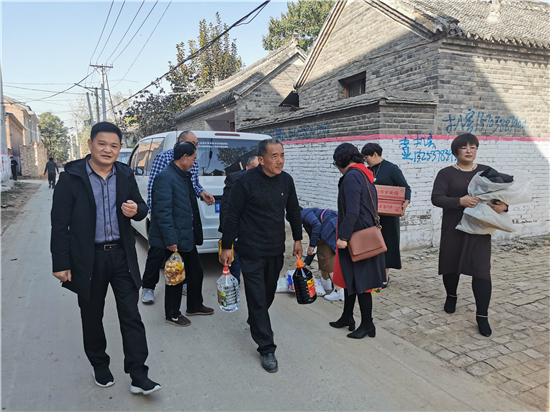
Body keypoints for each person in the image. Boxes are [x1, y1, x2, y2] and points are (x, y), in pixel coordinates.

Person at [50, 122, 161, 395]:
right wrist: (61, 262)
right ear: (90, 144)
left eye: (114, 145)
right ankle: (99, 363)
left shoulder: (124, 174)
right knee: (92, 315)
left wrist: (136, 210)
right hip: (87, 258)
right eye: (102, 144)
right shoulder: (72, 177)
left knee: (131, 315)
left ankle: (138, 374)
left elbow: (141, 207)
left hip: (121, 256)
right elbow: (59, 223)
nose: (107, 150)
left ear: (119, 148)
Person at [219, 139, 302, 373]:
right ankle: (267, 348)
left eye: (282, 155)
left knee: (266, 295)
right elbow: (232, 215)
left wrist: (298, 238)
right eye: (275, 156)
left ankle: (256, 319)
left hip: (275, 249)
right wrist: (227, 246)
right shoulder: (245, 182)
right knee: (257, 298)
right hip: (250, 250)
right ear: (262, 160)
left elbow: (293, 210)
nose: (280, 161)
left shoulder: (286, 180)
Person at [431, 133, 507, 337]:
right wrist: (459, 201)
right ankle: (451, 296)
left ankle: (482, 316)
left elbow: (500, 196)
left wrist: (504, 206)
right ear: (455, 151)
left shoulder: (486, 172)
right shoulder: (446, 174)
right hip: (454, 228)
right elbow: (436, 198)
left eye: (473, 147)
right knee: (451, 265)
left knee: (481, 271)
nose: (469, 151)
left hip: (479, 230)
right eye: (464, 147)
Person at [141, 131, 215, 304]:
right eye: (192, 143)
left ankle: (184, 285)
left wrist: (202, 192)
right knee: (157, 254)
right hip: (166, 216)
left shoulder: (192, 159)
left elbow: (193, 183)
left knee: (185, 255)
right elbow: (154, 186)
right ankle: (148, 287)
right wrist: (154, 213)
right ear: (181, 142)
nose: (195, 147)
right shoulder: (163, 158)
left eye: (196, 144)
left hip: (184, 216)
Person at [329, 143, 385, 339]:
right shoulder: (364, 174)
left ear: (341, 160)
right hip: (360, 233)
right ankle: (347, 316)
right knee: (350, 278)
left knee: (362, 282)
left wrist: (343, 237)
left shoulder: (352, 176)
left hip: (356, 238)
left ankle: (368, 324)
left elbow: (352, 211)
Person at [361, 143, 411, 287]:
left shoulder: (391, 168)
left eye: (366, 157)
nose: (365, 161)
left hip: (388, 215)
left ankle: (384, 276)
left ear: (375, 154)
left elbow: (405, 187)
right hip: (372, 214)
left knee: (387, 243)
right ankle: (372, 273)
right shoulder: (367, 170)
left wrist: (406, 201)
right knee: (372, 243)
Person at [218, 155, 260, 283]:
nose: (256, 172)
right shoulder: (234, 178)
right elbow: (226, 206)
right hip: (236, 230)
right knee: (234, 263)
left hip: (254, 233)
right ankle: (234, 284)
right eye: (253, 168)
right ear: (247, 166)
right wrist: (226, 231)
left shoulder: (263, 180)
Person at [301, 207, 337, 297]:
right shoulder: (306, 221)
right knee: (322, 254)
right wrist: (305, 263)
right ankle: (326, 283)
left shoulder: (303, 213)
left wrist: (312, 246)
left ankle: (339, 291)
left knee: (327, 258)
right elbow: (314, 240)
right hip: (332, 227)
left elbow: (317, 225)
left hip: (331, 227)